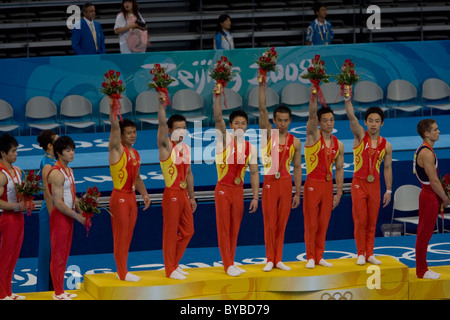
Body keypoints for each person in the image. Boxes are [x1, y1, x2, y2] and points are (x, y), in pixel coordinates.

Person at [213, 84, 259, 277]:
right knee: (224, 228)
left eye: (243, 123)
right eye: (236, 123)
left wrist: (256, 197)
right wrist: (217, 96)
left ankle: (231, 260)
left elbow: (255, 173)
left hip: (238, 191)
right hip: (223, 189)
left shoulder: (251, 148)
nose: (240, 126)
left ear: (246, 126)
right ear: (231, 125)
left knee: (234, 228)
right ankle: (227, 264)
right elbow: (217, 119)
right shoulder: (225, 140)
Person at [257, 78, 302, 272]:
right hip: (269, 183)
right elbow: (261, 109)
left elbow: (298, 168)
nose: (282, 123)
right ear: (274, 121)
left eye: (286, 120)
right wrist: (261, 84)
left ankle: (279, 259)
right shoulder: (269, 134)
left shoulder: (296, 142)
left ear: (290, 121)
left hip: (285, 183)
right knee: (270, 223)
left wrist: (297, 192)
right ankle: (269, 259)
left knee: (282, 223)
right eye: (279, 120)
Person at [344, 90, 393, 265]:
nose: (373, 124)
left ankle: (370, 252)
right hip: (358, 183)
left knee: (372, 220)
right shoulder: (360, 136)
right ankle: (360, 253)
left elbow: (387, 168)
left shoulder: (386, 145)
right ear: (365, 122)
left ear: (382, 124)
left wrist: (388, 189)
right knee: (361, 220)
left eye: (377, 121)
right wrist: (347, 99)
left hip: (375, 185)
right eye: (370, 121)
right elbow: (351, 118)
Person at [108, 99, 151, 282]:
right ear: (121, 135)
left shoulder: (135, 153)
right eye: (129, 133)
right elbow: (114, 130)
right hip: (119, 197)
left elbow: (137, 177)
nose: (133, 135)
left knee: (128, 235)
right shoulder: (117, 150)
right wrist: (113, 109)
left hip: (132, 197)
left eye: (134, 132)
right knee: (120, 236)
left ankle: (123, 269)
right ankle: (122, 272)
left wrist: (145, 194)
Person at [303, 87, 344, 269]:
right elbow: (311, 115)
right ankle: (310, 256)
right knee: (311, 223)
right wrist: (314, 94)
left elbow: (340, 169)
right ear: (319, 123)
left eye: (331, 120)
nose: (329, 123)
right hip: (313, 184)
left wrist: (339, 192)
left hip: (328, 186)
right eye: (325, 120)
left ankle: (319, 256)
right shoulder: (313, 137)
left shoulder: (339, 144)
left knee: (323, 223)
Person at [157, 91, 196, 280]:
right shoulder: (166, 146)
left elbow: (188, 173)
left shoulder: (186, 148)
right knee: (170, 233)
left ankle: (174, 263)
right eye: (177, 129)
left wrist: (192, 196)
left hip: (182, 194)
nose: (182, 132)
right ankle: (169, 269)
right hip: (171, 193)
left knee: (189, 231)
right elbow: (161, 124)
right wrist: (161, 105)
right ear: (171, 130)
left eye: (184, 128)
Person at [47, 135, 85, 300]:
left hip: (68, 215)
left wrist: (83, 209)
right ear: (59, 153)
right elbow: (58, 203)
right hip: (60, 216)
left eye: (73, 150)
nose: (72, 153)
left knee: (64, 254)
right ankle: (57, 293)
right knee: (58, 255)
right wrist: (77, 216)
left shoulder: (69, 171)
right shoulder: (56, 174)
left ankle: (61, 289)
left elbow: (73, 196)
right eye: (68, 150)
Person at [414, 119, 450, 279]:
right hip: (429, 196)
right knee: (424, 234)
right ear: (427, 134)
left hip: (427, 194)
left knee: (425, 233)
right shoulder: (427, 153)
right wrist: (445, 197)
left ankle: (423, 268)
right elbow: (434, 180)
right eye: (435, 129)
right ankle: (421, 270)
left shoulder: (423, 149)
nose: (439, 131)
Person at [0, 134, 33, 300]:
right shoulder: (1, 174)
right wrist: (16, 206)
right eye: (13, 151)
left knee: (14, 256)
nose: (16, 154)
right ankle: (1, 293)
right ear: (3, 153)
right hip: (8, 218)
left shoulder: (18, 171)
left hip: (19, 217)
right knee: (5, 257)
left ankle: (8, 291)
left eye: (16, 150)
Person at [36, 130, 58, 292]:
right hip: (49, 211)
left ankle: (54, 287)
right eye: (57, 141)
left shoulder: (51, 160)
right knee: (47, 251)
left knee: (55, 250)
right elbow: (46, 191)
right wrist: (53, 214)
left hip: (54, 209)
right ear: (50, 145)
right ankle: (45, 289)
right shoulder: (47, 163)